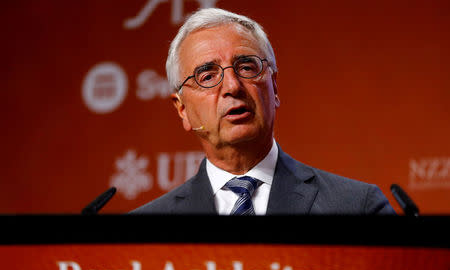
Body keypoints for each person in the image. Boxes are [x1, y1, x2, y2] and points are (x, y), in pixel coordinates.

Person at [132, 8, 395, 215]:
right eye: (208, 76)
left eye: (247, 68)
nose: (233, 86)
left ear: (275, 88)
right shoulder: (138, 235)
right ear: (182, 110)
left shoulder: (357, 207)